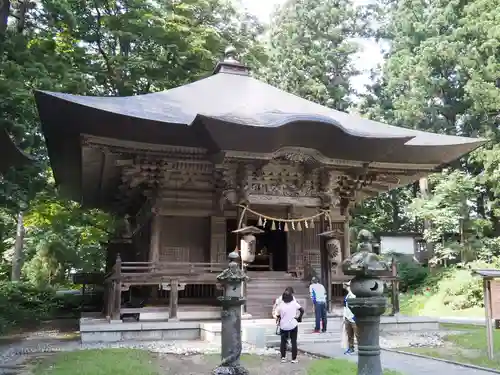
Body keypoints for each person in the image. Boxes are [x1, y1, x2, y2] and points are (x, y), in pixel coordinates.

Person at [276, 290, 304, 363]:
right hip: (293, 325)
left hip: (283, 326)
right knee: (294, 341)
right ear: (291, 297)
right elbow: (302, 310)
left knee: (283, 342)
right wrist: (299, 318)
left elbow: (278, 315)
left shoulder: (281, 305)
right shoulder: (294, 303)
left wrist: (280, 318)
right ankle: (294, 359)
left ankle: (283, 357)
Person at [342, 281, 359, 354]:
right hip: (347, 317)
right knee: (349, 335)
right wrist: (344, 317)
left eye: (349, 286)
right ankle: (351, 348)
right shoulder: (347, 295)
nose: (347, 287)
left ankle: (361, 348)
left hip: (353, 318)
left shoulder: (354, 295)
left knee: (357, 334)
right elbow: (345, 307)